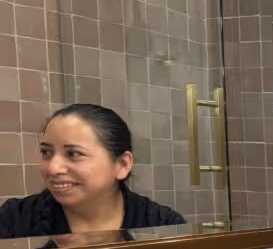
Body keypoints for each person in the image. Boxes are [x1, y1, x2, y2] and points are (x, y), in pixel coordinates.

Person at [0, 103, 186, 240]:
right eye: (46, 152)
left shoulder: (163, 224)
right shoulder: (15, 219)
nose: (53, 168)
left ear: (122, 165)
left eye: (73, 154)